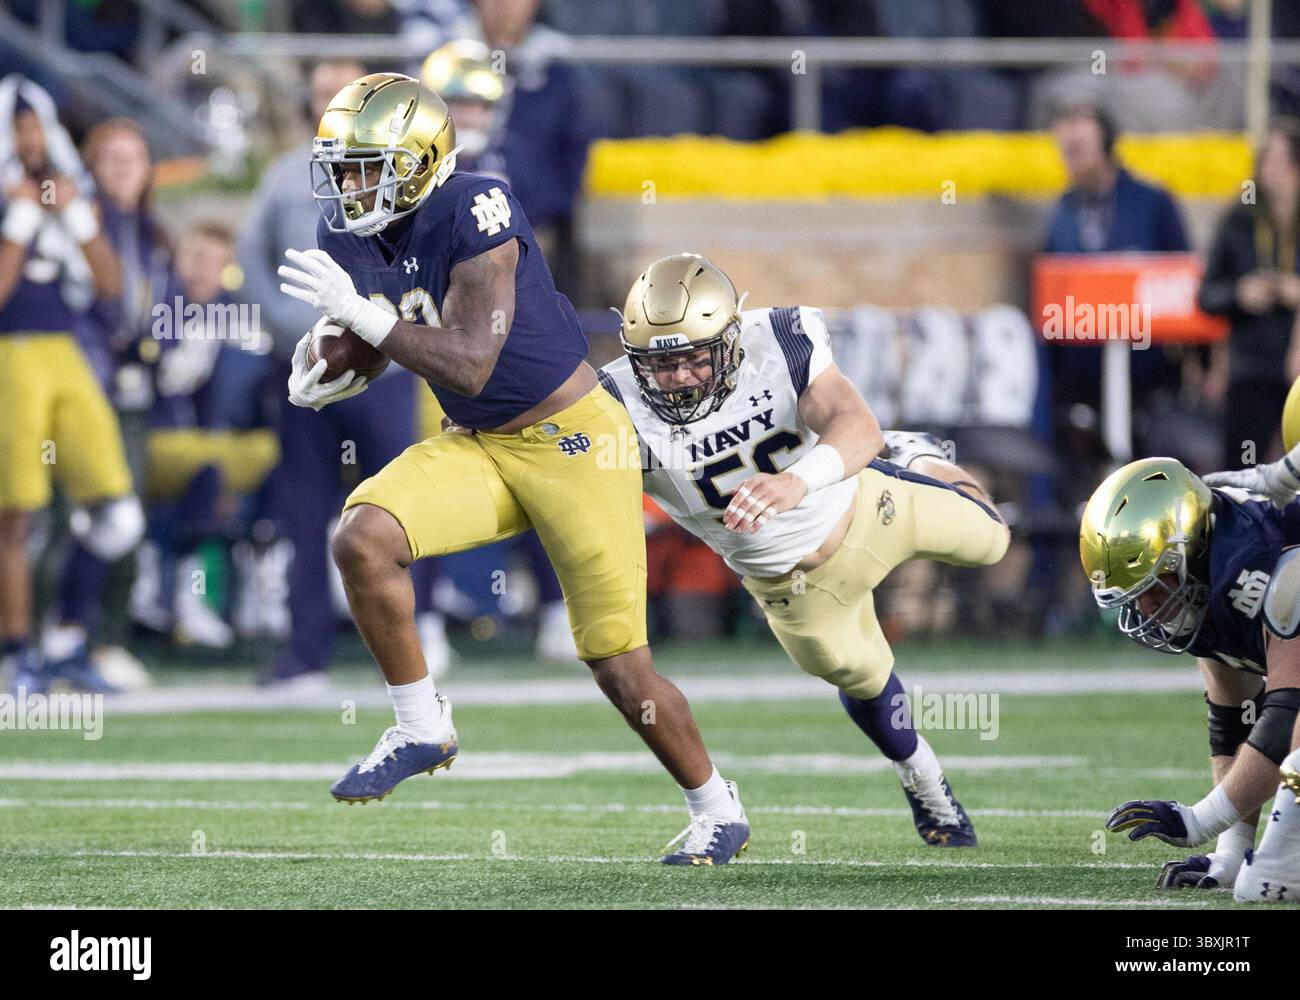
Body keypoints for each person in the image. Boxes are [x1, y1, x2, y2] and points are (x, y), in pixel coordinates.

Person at [277, 72, 748, 864]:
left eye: (366, 165)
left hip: (575, 442)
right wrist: (329, 364)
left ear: (421, 160)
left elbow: (467, 359)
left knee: (621, 671)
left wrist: (363, 318)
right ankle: (422, 723)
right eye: (342, 165)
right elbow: (387, 341)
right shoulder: (349, 237)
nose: (349, 184)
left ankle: (714, 806)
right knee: (362, 538)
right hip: (481, 444)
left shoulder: (478, 205)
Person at [599, 253, 1010, 846]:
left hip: (870, 505)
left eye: (694, 357)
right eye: (662, 364)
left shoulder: (778, 341)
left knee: (995, 540)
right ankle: (923, 778)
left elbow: (858, 427)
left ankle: (919, 454)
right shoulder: (614, 405)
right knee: (860, 676)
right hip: (793, 584)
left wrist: (795, 481)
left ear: (732, 339)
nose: (681, 377)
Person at [239, 58, 450, 686]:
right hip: (305, 375)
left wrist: (379, 332)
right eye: (324, 92)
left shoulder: (404, 177)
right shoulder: (283, 178)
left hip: (387, 371)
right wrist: (301, 339)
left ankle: (424, 630)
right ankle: (306, 652)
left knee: (410, 505)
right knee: (304, 513)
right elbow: (249, 261)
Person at [1081, 456, 1300, 903]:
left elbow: (1286, 717)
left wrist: (1198, 821)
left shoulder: (1265, 566)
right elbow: (1236, 718)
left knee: (1268, 882)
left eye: (1154, 587)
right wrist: (1230, 852)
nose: (1146, 610)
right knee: (1246, 881)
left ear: (1189, 548)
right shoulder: (1209, 579)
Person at [0, 78, 142, 695]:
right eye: (18, 125)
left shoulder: (68, 191)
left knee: (116, 512)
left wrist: (74, 217)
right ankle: (13, 656)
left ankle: (64, 640)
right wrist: (22, 216)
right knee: (16, 516)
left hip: (65, 353)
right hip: (10, 353)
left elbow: (112, 285)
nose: (30, 137)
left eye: (37, 124)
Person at [1198, 124, 1300, 467]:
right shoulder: (1238, 221)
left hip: (1296, 369)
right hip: (1251, 367)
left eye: (1284, 162)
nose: (1273, 170)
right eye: (1267, 160)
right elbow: (1206, 296)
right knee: (1242, 473)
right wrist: (1240, 293)